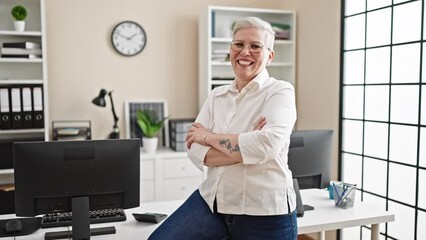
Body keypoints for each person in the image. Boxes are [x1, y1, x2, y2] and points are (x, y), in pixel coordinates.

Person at [148, 16, 297, 240]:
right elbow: (194, 150)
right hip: (213, 201)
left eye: (255, 46)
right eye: (239, 44)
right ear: (231, 49)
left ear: (270, 55)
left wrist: (208, 136)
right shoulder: (217, 95)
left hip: (264, 210)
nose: (245, 52)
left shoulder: (280, 91)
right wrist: (248, 146)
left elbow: (268, 145)